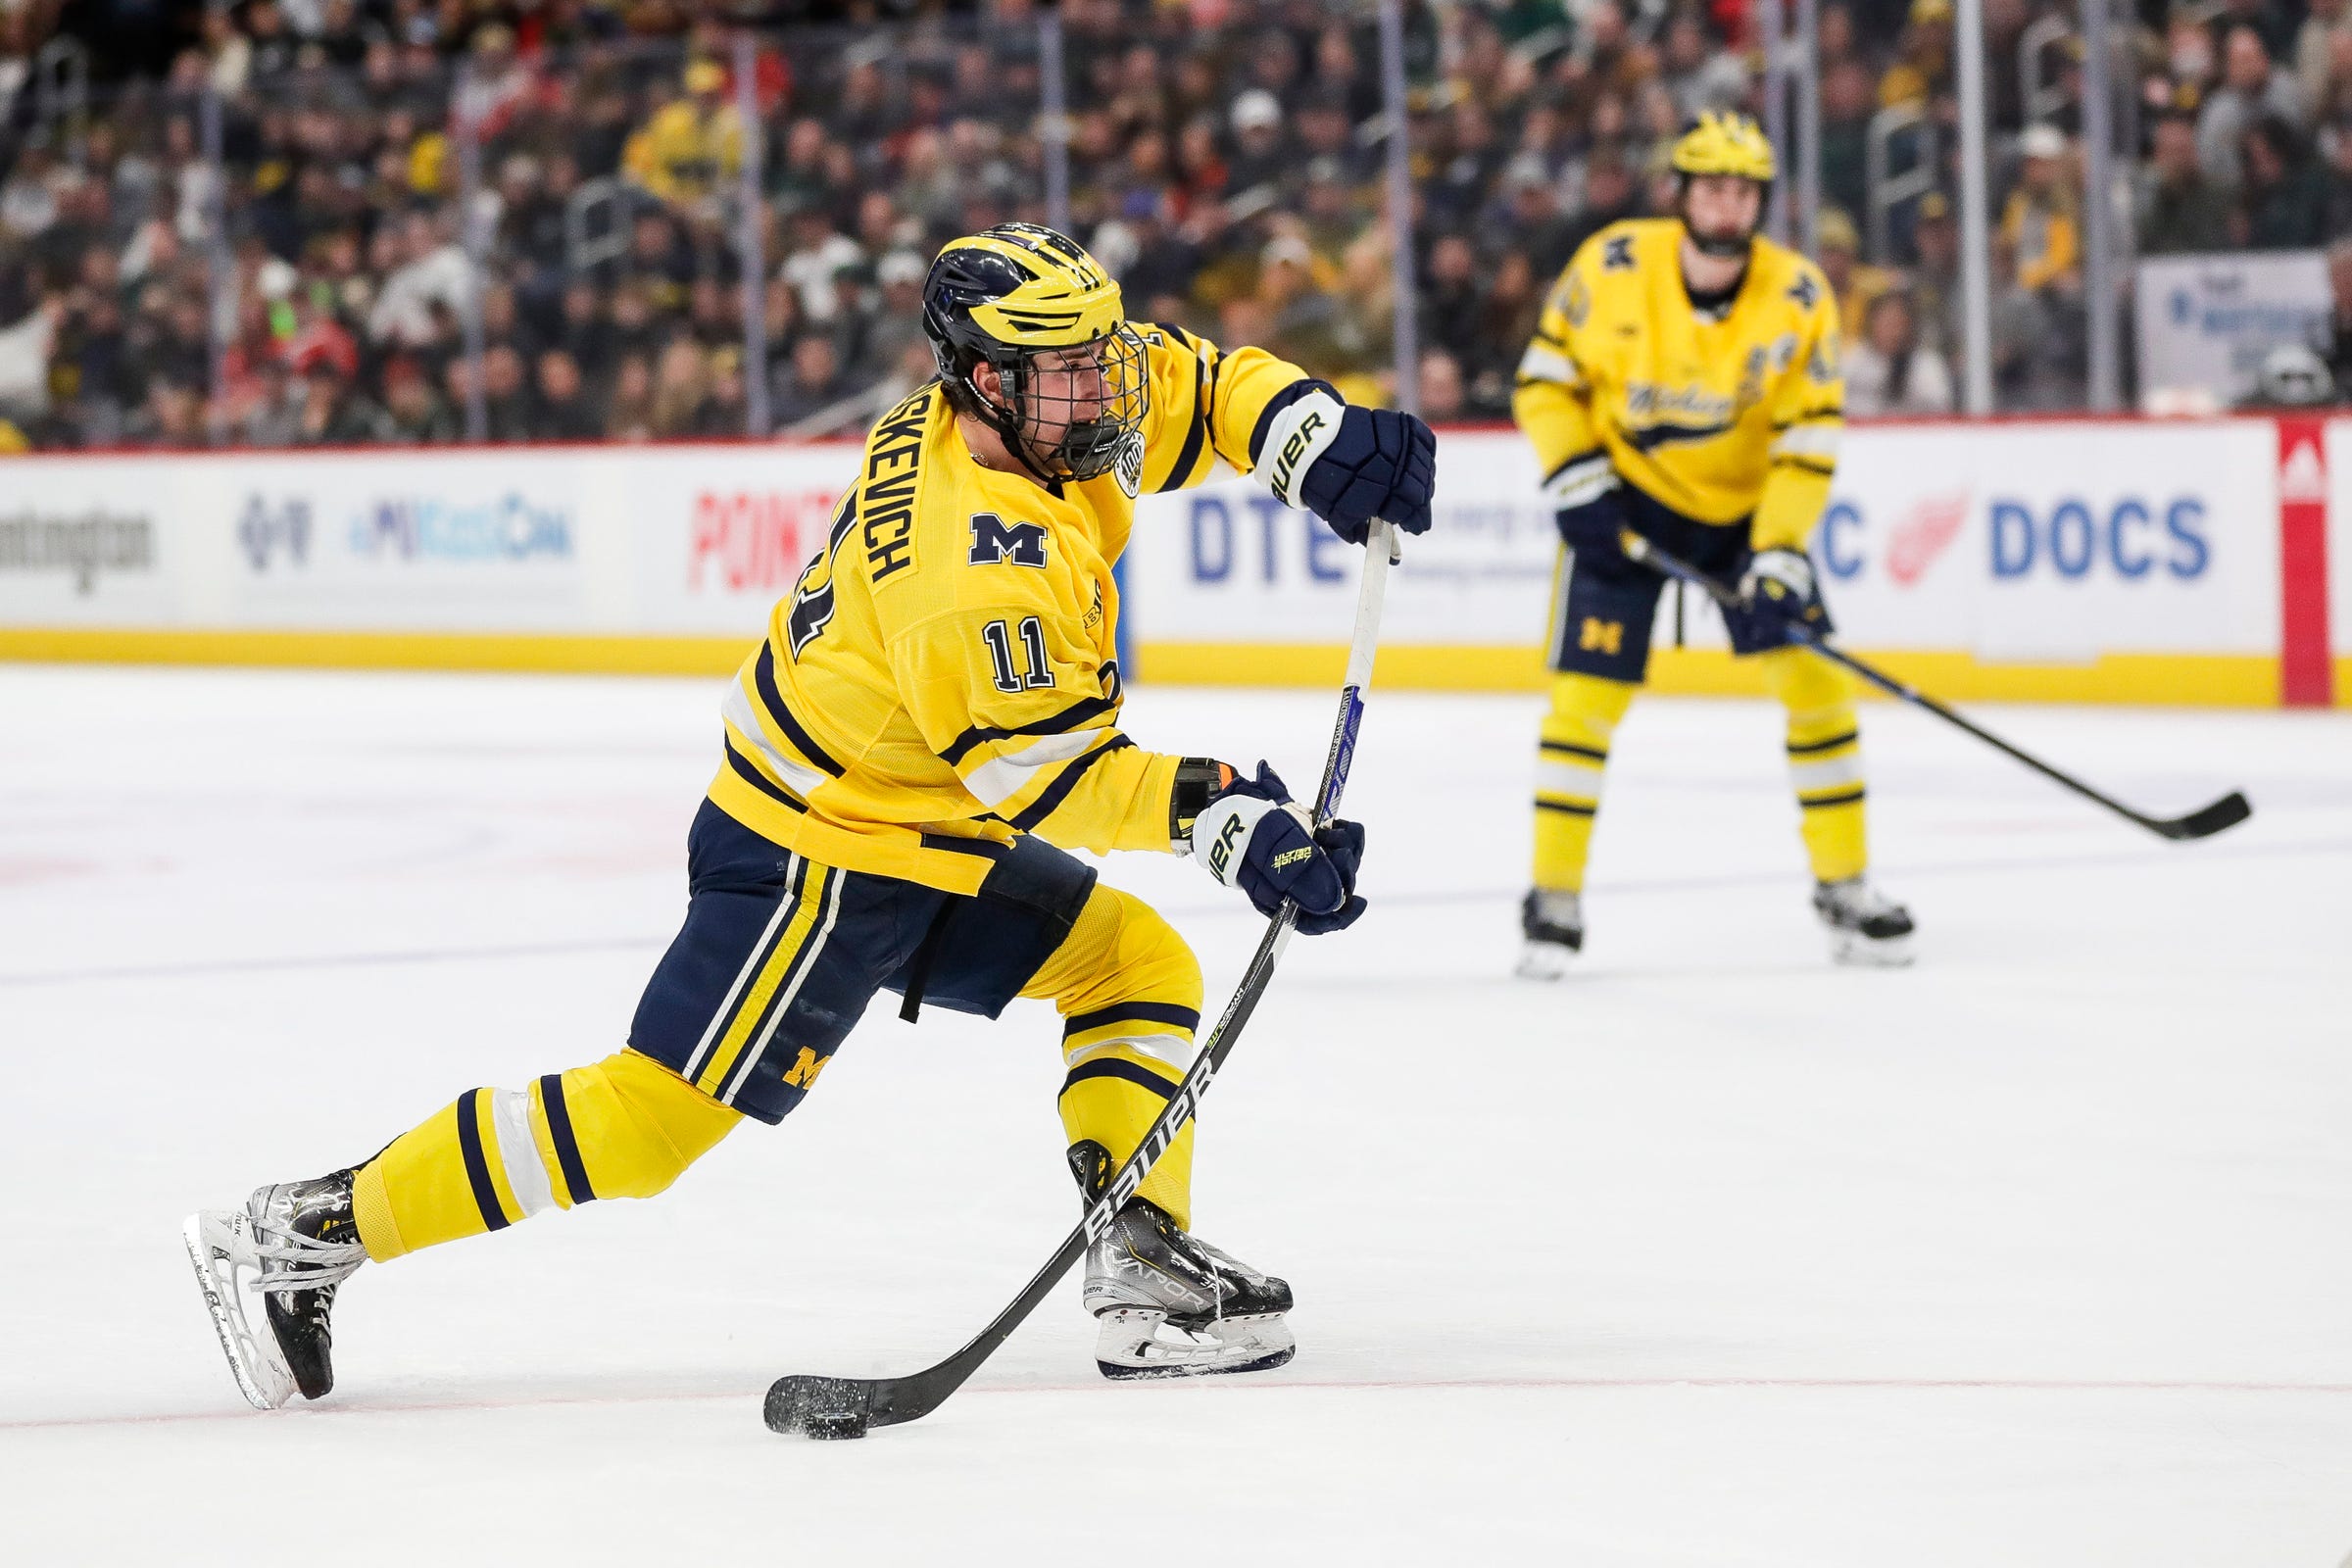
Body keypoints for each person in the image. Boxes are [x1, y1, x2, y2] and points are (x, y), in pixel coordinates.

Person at [184, 223, 1437, 1409]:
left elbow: (1195, 383)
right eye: (1068, 372)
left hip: (910, 821)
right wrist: (1230, 824)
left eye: (1098, 356)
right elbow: (1044, 779)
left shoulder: (1030, 414)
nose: (1104, 390)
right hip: (817, 854)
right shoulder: (969, 568)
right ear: (987, 383)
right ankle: (307, 1231)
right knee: (643, 1128)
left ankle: (1142, 1267)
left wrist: (1312, 436)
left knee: (1132, 960)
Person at [1510, 113, 1914, 974]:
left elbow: (1809, 440)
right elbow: (1545, 381)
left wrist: (1778, 549)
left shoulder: (1800, 294)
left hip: (1744, 518)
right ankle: (1553, 898)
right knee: (1584, 701)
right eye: (1713, 188)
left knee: (1817, 684)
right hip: (1624, 505)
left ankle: (1844, 885)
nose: (1730, 206)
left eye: (1745, 191)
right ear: (1681, 193)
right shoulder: (1612, 264)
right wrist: (1575, 476)